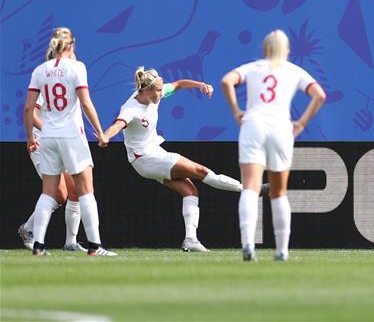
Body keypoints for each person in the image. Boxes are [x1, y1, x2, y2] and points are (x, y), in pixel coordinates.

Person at [102, 67, 244, 252]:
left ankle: (190, 240)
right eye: (158, 90)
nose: (161, 93)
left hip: (151, 154)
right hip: (145, 157)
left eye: (162, 90)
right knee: (201, 172)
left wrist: (200, 85)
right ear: (146, 90)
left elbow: (178, 84)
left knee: (190, 190)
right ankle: (248, 189)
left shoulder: (154, 94)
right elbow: (118, 124)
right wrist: (106, 136)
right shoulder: (131, 109)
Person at [221, 29, 326, 262]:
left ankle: (247, 244)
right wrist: (301, 123)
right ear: (287, 50)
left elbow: (227, 80)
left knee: (250, 186)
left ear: (265, 49)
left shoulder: (252, 67)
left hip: (253, 125)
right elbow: (319, 94)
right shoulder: (294, 70)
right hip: (281, 128)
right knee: (278, 192)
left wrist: (237, 111)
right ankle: (281, 250)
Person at [24, 28, 115, 256]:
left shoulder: (40, 70)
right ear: (71, 46)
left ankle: (38, 246)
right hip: (71, 135)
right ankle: (95, 246)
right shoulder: (77, 67)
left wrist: (29, 139)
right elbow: (86, 103)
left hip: (47, 137)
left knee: (48, 192)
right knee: (86, 191)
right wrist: (101, 133)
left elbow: (27, 108)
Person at [17, 28, 85, 253]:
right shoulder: (50, 78)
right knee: (59, 193)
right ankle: (28, 229)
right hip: (44, 140)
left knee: (75, 191)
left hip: (62, 138)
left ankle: (71, 242)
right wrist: (51, 130)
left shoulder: (70, 76)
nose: (74, 55)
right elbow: (32, 112)